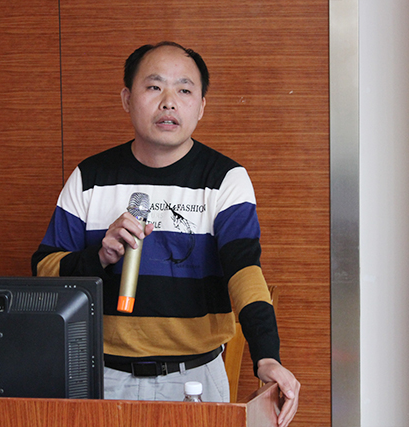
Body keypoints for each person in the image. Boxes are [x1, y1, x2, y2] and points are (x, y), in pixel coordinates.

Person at [32, 41, 300, 427]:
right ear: (127, 99)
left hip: (195, 378)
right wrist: (98, 257)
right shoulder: (90, 177)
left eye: (184, 90)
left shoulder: (225, 179)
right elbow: (44, 271)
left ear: (201, 106)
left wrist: (267, 356)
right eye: (154, 87)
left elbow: (244, 270)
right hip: (101, 377)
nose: (169, 102)